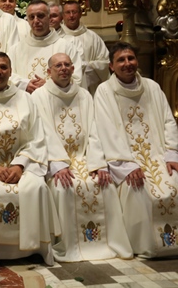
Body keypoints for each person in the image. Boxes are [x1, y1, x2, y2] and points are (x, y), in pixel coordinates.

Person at [32, 53, 132, 262]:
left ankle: (108, 243)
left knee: (105, 184)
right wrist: (58, 164)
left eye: (67, 65)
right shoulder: (39, 96)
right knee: (62, 188)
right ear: (49, 71)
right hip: (57, 161)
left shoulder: (85, 95)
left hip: (85, 158)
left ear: (73, 69)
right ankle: (69, 245)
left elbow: (95, 130)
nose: (63, 68)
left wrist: (98, 164)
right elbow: (43, 131)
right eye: (58, 65)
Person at [0, 52, 60, 264]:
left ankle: (33, 248)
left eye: (3, 67)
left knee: (36, 187)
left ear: (10, 72)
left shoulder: (26, 99)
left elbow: (37, 137)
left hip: (22, 166)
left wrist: (19, 165)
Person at [94, 42, 178, 258]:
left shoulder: (152, 87)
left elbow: (168, 121)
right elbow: (106, 129)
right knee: (137, 189)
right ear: (111, 66)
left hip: (158, 155)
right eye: (121, 60)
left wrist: (172, 153)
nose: (127, 63)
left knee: (175, 180)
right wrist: (126, 164)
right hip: (127, 159)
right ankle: (146, 245)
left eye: (131, 58)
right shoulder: (104, 91)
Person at [8, 0, 82, 93]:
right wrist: (24, 85)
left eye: (40, 16)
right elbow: (7, 75)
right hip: (25, 99)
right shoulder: (16, 49)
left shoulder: (66, 47)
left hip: (55, 100)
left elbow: (77, 78)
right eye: (31, 17)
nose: (36, 21)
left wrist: (49, 86)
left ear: (49, 17)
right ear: (27, 20)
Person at [61, 2, 110, 94]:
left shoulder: (93, 37)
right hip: (63, 88)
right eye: (68, 12)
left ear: (80, 14)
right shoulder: (58, 38)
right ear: (63, 15)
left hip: (90, 89)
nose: (71, 15)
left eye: (74, 12)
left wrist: (86, 69)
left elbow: (105, 62)